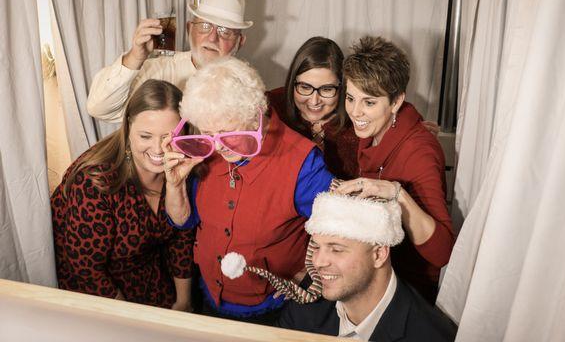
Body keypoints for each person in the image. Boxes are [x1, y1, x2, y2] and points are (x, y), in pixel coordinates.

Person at [161, 57, 333, 324]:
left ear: (255, 117)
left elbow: (340, 230)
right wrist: (175, 186)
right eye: (208, 134)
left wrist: (311, 270)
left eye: (228, 133)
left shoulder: (303, 163)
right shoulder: (205, 148)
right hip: (208, 295)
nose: (218, 148)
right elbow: (182, 220)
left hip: (269, 309)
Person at [51, 80, 195, 310]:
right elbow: (86, 270)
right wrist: (129, 321)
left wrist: (184, 303)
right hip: (99, 288)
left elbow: (182, 240)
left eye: (169, 138)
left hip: (149, 270)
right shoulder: (94, 182)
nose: (158, 150)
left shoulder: (183, 165)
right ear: (128, 128)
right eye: (146, 136)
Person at [333, 36, 454, 303]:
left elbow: (443, 252)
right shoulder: (371, 130)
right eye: (351, 98)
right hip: (379, 273)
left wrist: (397, 194)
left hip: (410, 290)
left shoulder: (419, 153)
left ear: (396, 102)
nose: (355, 111)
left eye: (369, 102)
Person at [278, 192, 457, 341]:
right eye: (316, 246)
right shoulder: (304, 308)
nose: (318, 262)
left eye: (336, 249)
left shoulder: (428, 335)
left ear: (378, 255)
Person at [87, 0, 252, 122]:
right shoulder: (159, 71)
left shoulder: (248, 86)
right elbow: (99, 109)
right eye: (204, 26)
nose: (212, 38)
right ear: (189, 30)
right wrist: (135, 58)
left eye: (225, 31)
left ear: (240, 42)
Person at [268, 36, 359, 179]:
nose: (314, 101)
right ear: (293, 82)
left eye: (327, 89)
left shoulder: (358, 124)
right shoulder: (271, 108)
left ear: (342, 87)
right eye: (305, 87)